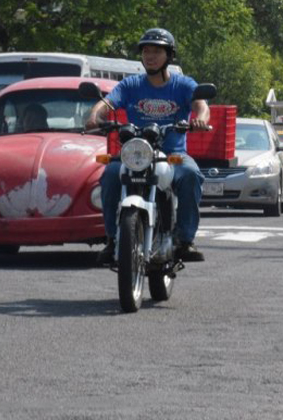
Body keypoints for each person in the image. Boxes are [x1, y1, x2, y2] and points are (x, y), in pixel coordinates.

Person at [85, 28, 211, 264]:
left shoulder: (183, 85)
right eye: (146, 51)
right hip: (136, 152)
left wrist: (201, 119)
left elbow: (201, 105)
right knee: (110, 174)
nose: (150, 56)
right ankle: (112, 239)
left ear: (169, 56)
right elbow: (106, 103)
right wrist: (95, 117)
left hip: (172, 155)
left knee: (192, 174)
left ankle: (185, 240)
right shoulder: (131, 84)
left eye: (156, 51)